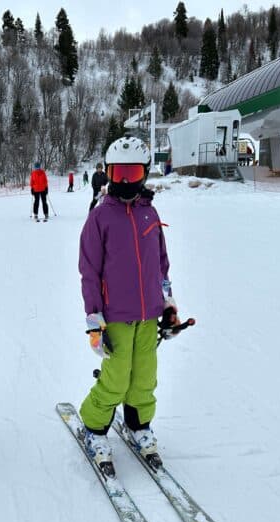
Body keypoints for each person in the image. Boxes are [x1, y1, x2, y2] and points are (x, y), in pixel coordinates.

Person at [78, 135, 181, 476]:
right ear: (107, 173)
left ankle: (139, 426)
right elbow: (89, 272)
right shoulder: (99, 219)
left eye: (131, 173)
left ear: (144, 174)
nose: (124, 181)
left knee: (145, 378)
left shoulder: (150, 213)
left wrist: (167, 305)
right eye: (118, 173)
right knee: (116, 378)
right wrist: (95, 321)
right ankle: (94, 428)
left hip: (149, 314)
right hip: (115, 318)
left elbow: (160, 265)